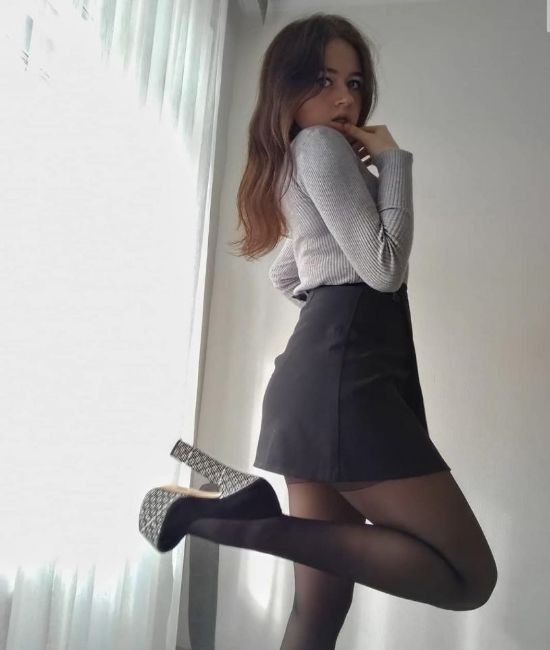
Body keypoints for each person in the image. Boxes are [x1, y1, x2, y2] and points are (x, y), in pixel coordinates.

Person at [139, 12, 498, 649]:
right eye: (324, 80)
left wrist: (331, 301)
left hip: (322, 377)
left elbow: (291, 271)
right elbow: (383, 268)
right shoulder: (320, 148)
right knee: (469, 579)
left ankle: (234, 509)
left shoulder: (297, 160)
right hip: (346, 384)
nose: (343, 99)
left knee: (319, 607)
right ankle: (230, 520)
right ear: (287, 87)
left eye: (354, 83)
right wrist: (393, 163)